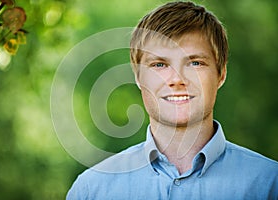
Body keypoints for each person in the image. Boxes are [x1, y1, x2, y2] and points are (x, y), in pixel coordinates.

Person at [67, 1, 278, 199]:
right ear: (138, 77)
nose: (177, 79)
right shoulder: (91, 190)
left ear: (221, 74)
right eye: (159, 65)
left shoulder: (269, 184)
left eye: (195, 63)